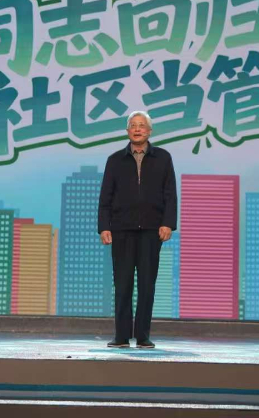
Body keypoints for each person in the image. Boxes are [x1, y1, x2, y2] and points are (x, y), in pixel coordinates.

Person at [98, 110, 177, 349]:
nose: (137, 129)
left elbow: (170, 194)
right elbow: (105, 197)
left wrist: (168, 223)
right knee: (122, 284)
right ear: (127, 131)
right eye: (133, 125)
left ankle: (143, 336)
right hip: (122, 229)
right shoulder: (115, 160)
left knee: (146, 284)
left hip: (152, 230)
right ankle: (121, 336)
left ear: (149, 131)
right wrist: (104, 227)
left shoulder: (163, 158)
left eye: (142, 125)